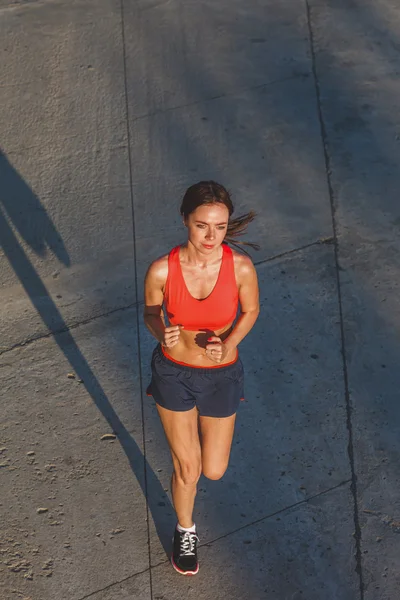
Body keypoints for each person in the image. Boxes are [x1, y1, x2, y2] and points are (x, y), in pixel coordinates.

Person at [144, 181, 260, 575]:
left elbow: (251, 311)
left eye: (221, 226)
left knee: (214, 469)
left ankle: (190, 489)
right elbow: (149, 312)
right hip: (174, 372)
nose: (212, 236)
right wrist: (162, 332)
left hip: (222, 375)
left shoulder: (240, 267)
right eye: (202, 225)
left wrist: (228, 344)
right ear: (185, 221)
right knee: (188, 468)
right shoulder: (163, 268)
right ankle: (185, 530)